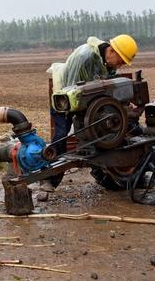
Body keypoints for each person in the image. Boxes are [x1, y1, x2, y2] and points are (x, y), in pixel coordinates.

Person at [44, 34, 138, 191]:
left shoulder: (107, 62)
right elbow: (71, 90)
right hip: (65, 99)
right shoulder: (85, 57)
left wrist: (126, 104)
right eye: (121, 61)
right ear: (112, 51)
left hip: (88, 99)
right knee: (61, 137)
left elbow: (109, 86)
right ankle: (49, 181)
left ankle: (116, 171)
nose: (119, 66)